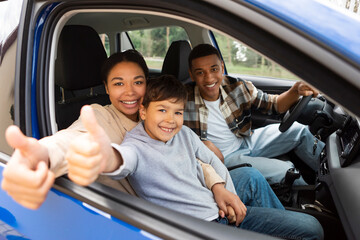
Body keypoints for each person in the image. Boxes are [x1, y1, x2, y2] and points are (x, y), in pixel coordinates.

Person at [1, 50, 282, 215]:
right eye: (118, 84)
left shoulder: (159, 114)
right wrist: (41, 156)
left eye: (137, 82)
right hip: (170, 212)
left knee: (250, 176)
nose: (130, 92)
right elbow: (73, 139)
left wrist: (217, 184)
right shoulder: (100, 117)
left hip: (198, 190)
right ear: (106, 88)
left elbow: (189, 155)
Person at [65, 75, 323, 239]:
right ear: (143, 112)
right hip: (207, 226)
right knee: (313, 230)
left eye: (178, 112)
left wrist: (222, 188)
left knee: (252, 177)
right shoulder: (136, 147)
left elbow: (210, 160)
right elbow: (122, 160)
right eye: (162, 110)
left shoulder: (184, 133)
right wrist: (103, 157)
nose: (170, 120)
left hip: (219, 207)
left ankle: (272, 226)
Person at [184, 44, 326, 185]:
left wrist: (295, 90)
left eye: (214, 69)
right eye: (200, 72)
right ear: (191, 75)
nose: (209, 78)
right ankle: (313, 203)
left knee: (298, 130)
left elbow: (274, 104)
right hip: (225, 158)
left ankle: (331, 175)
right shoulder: (182, 99)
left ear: (222, 66)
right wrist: (201, 144)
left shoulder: (236, 86)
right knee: (287, 170)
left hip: (245, 139)